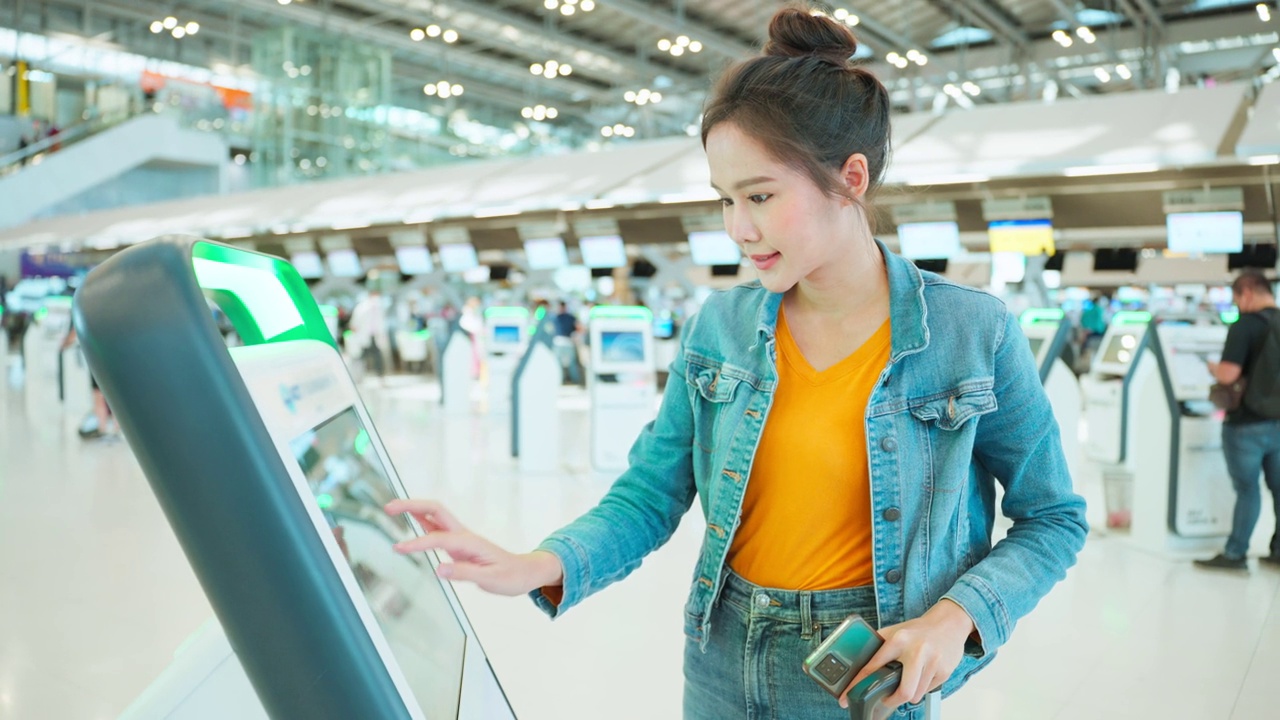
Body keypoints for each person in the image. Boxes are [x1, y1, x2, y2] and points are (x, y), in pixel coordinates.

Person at [385, 7, 1087, 719]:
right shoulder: (720, 327)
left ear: (851, 178)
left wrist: (956, 618)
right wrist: (538, 563)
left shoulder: (971, 332)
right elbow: (651, 493)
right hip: (721, 654)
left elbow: (1053, 517)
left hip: (865, 668)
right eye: (725, 199)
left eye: (759, 196)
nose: (737, 229)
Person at [1198, 271, 1280, 571]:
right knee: (1278, 487)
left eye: (1236, 299)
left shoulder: (1244, 325)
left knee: (1248, 490)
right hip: (1278, 421)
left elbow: (1229, 374)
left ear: (1246, 292)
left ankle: (1236, 553)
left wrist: (1211, 367)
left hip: (1246, 424)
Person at [348, 288, 390, 382]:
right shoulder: (361, 308)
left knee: (377, 358)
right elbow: (354, 324)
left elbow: (381, 323)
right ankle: (356, 377)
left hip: (375, 336)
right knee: (359, 357)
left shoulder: (379, 308)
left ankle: (380, 378)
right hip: (363, 337)